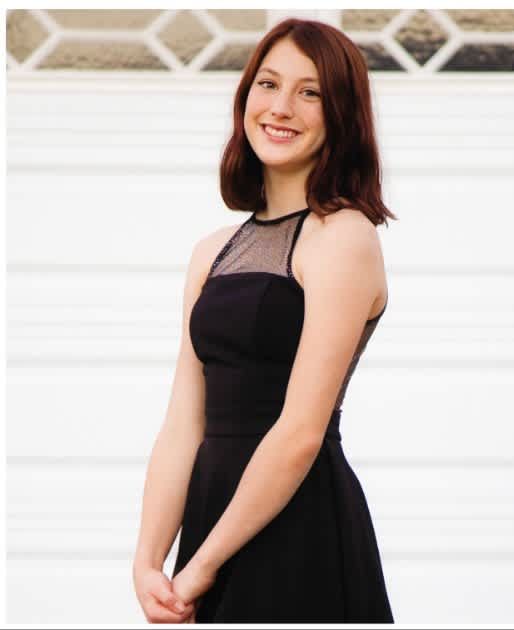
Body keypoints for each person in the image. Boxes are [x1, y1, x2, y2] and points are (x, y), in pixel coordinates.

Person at [132, 18, 394, 623]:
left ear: (341, 113)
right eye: (268, 84)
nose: (281, 107)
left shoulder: (343, 236)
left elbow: (301, 431)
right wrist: (150, 559)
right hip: (212, 524)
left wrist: (200, 567)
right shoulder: (212, 251)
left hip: (296, 529)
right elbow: (183, 422)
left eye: (310, 92)